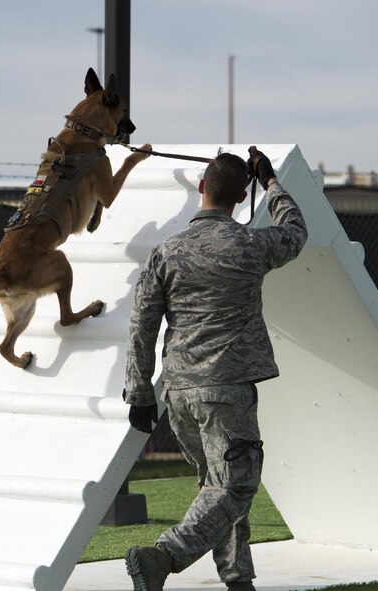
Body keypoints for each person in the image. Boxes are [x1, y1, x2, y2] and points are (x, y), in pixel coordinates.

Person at [122, 149, 309, 591]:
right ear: (241, 196)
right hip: (226, 390)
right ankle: (162, 557)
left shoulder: (165, 251)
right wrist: (272, 181)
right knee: (235, 487)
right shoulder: (251, 244)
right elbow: (297, 232)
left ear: (202, 188)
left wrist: (140, 393)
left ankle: (238, 580)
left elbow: (142, 324)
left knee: (216, 487)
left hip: (179, 392)